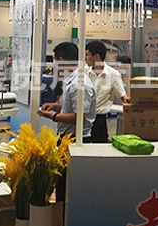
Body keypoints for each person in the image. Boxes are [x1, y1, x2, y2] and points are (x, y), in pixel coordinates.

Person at [38, 42, 96, 204]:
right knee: (62, 185)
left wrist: (53, 116)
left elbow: (79, 117)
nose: (53, 65)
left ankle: (65, 217)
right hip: (66, 139)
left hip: (76, 140)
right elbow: (69, 106)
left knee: (69, 189)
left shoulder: (79, 84)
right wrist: (55, 107)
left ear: (61, 60)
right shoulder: (70, 80)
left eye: (54, 60)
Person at [85, 40, 129, 143]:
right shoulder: (84, 72)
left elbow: (124, 97)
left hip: (99, 121)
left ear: (96, 56)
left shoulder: (113, 75)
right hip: (83, 119)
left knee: (99, 148)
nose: (85, 58)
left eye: (87, 55)